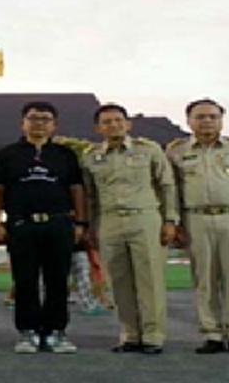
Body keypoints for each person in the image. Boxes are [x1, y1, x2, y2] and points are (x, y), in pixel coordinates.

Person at [166, 98, 229, 356]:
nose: (207, 121)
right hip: (195, 219)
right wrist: (174, 222)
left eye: (213, 116)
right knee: (204, 280)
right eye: (200, 117)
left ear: (221, 120)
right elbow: (171, 190)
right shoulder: (176, 152)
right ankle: (211, 334)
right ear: (189, 121)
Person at [0, 101, 87, 354]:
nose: (39, 124)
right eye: (33, 118)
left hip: (58, 222)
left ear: (54, 124)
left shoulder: (65, 155)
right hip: (21, 223)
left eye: (45, 119)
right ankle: (28, 331)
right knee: (25, 280)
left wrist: (80, 222)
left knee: (58, 280)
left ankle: (56, 331)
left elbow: (76, 189)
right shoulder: (8, 154)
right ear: (22, 123)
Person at [82, 103, 176, 355]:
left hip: (144, 218)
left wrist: (170, 220)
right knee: (119, 281)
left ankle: (153, 335)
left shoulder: (149, 150)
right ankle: (130, 334)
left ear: (128, 124)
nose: (114, 125)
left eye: (118, 120)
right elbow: (90, 196)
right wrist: (91, 226)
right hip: (109, 221)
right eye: (107, 122)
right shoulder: (91, 156)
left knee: (150, 280)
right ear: (98, 128)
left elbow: (166, 186)